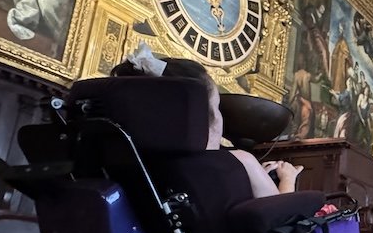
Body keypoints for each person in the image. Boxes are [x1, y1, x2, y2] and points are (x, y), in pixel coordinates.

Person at [114, 44, 302, 197]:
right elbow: (283, 216)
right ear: (199, 115)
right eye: (217, 107)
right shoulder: (241, 161)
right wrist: (287, 178)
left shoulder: (125, 159)